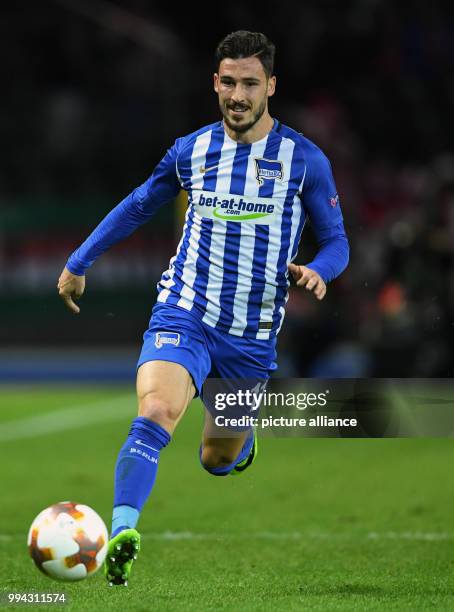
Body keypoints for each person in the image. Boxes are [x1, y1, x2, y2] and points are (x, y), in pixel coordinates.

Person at [57, 30, 349, 586]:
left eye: (250, 84)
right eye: (229, 83)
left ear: (271, 88)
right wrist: (79, 261)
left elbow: (337, 240)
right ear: (216, 82)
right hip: (184, 310)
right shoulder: (190, 151)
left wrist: (320, 270)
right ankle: (122, 531)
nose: (238, 95)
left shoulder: (304, 160)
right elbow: (140, 203)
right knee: (155, 414)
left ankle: (242, 445)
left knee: (217, 459)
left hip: (250, 334)